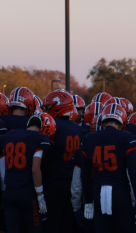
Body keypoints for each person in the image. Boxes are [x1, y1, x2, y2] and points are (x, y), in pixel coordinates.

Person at [81, 103, 136, 231]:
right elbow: (134, 172)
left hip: (98, 192)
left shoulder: (89, 138)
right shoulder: (126, 137)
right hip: (120, 192)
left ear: (102, 121)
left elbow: (85, 174)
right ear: (122, 122)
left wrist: (87, 201)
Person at [2, 112, 53, 233]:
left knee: (12, 229)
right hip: (27, 192)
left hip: (9, 190)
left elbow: (6, 164)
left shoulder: (9, 135)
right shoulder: (39, 138)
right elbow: (35, 169)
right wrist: (40, 195)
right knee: (35, 229)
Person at [41, 90, 81, 233]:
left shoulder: (54, 125)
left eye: (49, 106)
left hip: (53, 181)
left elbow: (43, 154)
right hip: (71, 182)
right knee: (66, 223)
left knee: (52, 223)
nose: (47, 109)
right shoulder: (76, 127)